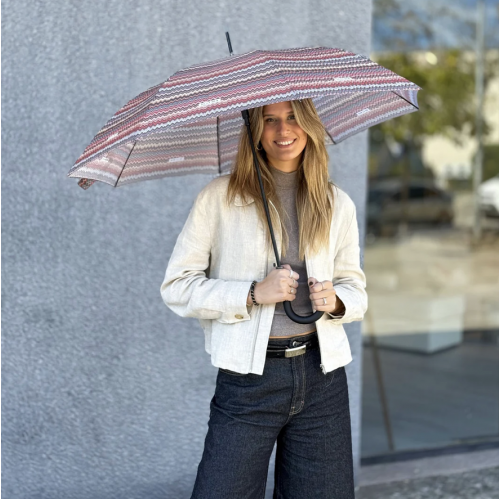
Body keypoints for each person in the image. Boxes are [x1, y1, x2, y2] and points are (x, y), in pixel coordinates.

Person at [160, 99, 368, 499]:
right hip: (248, 381)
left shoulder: (335, 202)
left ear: (309, 125)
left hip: (322, 377)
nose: (282, 130)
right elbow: (177, 286)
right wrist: (253, 293)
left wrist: (336, 301)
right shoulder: (219, 197)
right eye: (269, 120)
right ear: (255, 129)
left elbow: (355, 289)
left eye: (292, 118)